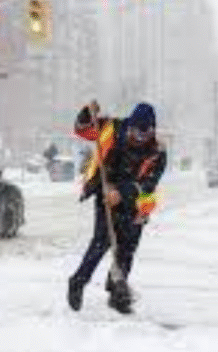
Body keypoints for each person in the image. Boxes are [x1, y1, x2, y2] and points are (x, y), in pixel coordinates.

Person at [67, 101, 167, 314]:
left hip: (135, 202)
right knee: (101, 242)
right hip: (105, 191)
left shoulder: (157, 152)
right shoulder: (111, 128)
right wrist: (87, 113)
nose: (137, 138)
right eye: (134, 132)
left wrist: (122, 193)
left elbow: (148, 184)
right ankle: (78, 281)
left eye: (143, 134)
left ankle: (117, 293)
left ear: (151, 131)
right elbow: (81, 129)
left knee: (127, 249)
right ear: (129, 125)